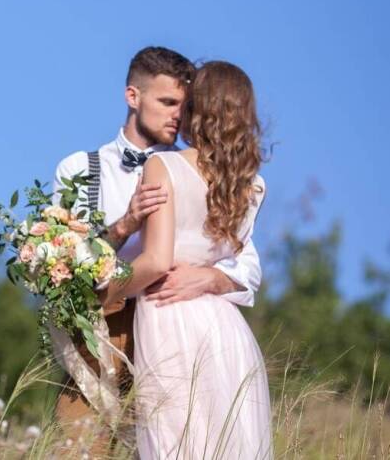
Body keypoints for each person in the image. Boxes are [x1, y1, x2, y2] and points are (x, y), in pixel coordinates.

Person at [51, 47, 262, 451]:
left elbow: (246, 263)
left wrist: (213, 276)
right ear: (133, 97)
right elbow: (64, 259)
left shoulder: (203, 171)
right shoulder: (80, 169)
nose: (177, 116)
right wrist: (123, 226)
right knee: (79, 448)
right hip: (104, 335)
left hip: (173, 331)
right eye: (167, 103)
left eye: (185, 106)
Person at [101, 60, 271, 458]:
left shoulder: (164, 165)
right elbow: (242, 260)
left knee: (175, 443)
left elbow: (157, 262)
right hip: (227, 329)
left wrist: (103, 290)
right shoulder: (252, 184)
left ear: (198, 107)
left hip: (170, 315)